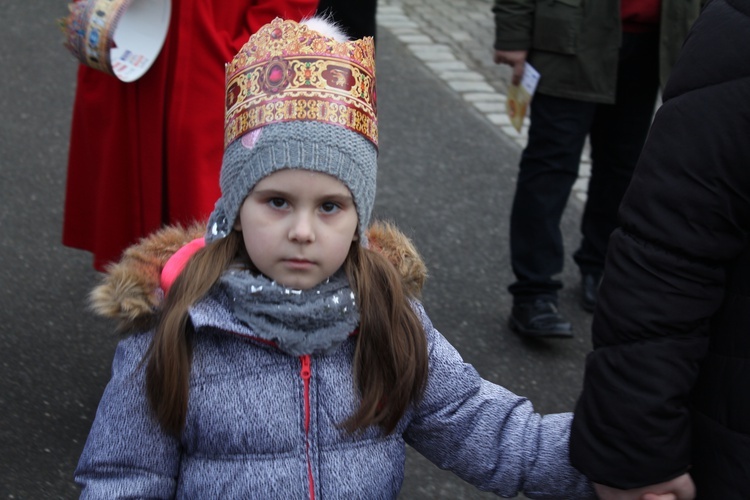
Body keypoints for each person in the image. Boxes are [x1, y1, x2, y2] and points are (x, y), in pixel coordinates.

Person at [74, 17, 597, 498]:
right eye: (276, 201)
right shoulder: (175, 328)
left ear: (358, 218)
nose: (302, 232)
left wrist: (620, 460)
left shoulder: (389, 315)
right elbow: (123, 478)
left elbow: (488, 429)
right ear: (235, 206)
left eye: (330, 207)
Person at [570, 0, 750, 497]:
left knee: (620, 157)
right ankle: (536, 284)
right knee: (560, 161)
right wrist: (633, 453)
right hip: (584, 47)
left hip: (651, 49)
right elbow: (668, 251)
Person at [491, 0, 701, 338]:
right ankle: (534, 293)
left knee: (623, 168)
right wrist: (512, 32)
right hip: (569, 40)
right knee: (550, 169)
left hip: (656, 44)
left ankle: (601, 268)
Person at [62, 0, 320, 272]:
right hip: (132, 31)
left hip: (212, 43)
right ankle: (143, 288)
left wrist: (254, 46)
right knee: (127, 189)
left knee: (207, 211)